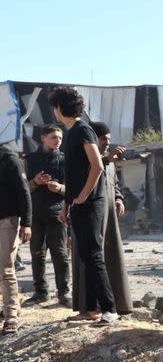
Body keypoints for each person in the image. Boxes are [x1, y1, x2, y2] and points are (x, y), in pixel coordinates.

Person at [49, 86, 117, 325]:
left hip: (90, 203)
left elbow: (97, 166)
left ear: (59, 108)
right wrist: (67, 207)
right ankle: (90, 309)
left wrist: (83, 197)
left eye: (54, 107)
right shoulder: (71, 133)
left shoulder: (83, 129)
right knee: (85, 256)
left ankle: (110, 309)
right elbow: (74, 174)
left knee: (94, 255)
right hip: (77, 205)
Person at [71, 121, 132, 316]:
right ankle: (91, 307)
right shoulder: (85, 159)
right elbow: (85, 175)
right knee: (90, 258)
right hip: (90, 214)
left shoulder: (109, 160)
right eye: (103, 139)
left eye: (109, 139)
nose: (107, 143)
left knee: (111, 259)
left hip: (109, 217)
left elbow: (114, 184)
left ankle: (115, 306)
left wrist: (119, 199)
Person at [24, 125, 71, 307]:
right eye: (53, 137)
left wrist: (60, 188)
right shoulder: (30, 160)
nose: (58, 141)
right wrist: (35, 182)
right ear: (43, 138)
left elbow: (73, 188)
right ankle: (41, 292)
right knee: (37, 253)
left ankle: (64, 292)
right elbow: (22, 189)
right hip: (35, 214)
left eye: (60, 138)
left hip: (57, 214)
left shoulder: (65, 160)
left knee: (60, 254)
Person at [0, 142, 32, 334]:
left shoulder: (9, 159)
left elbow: (24, 191)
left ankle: (11, 314)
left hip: (8, 220)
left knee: (5, 267)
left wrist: (27, 223)